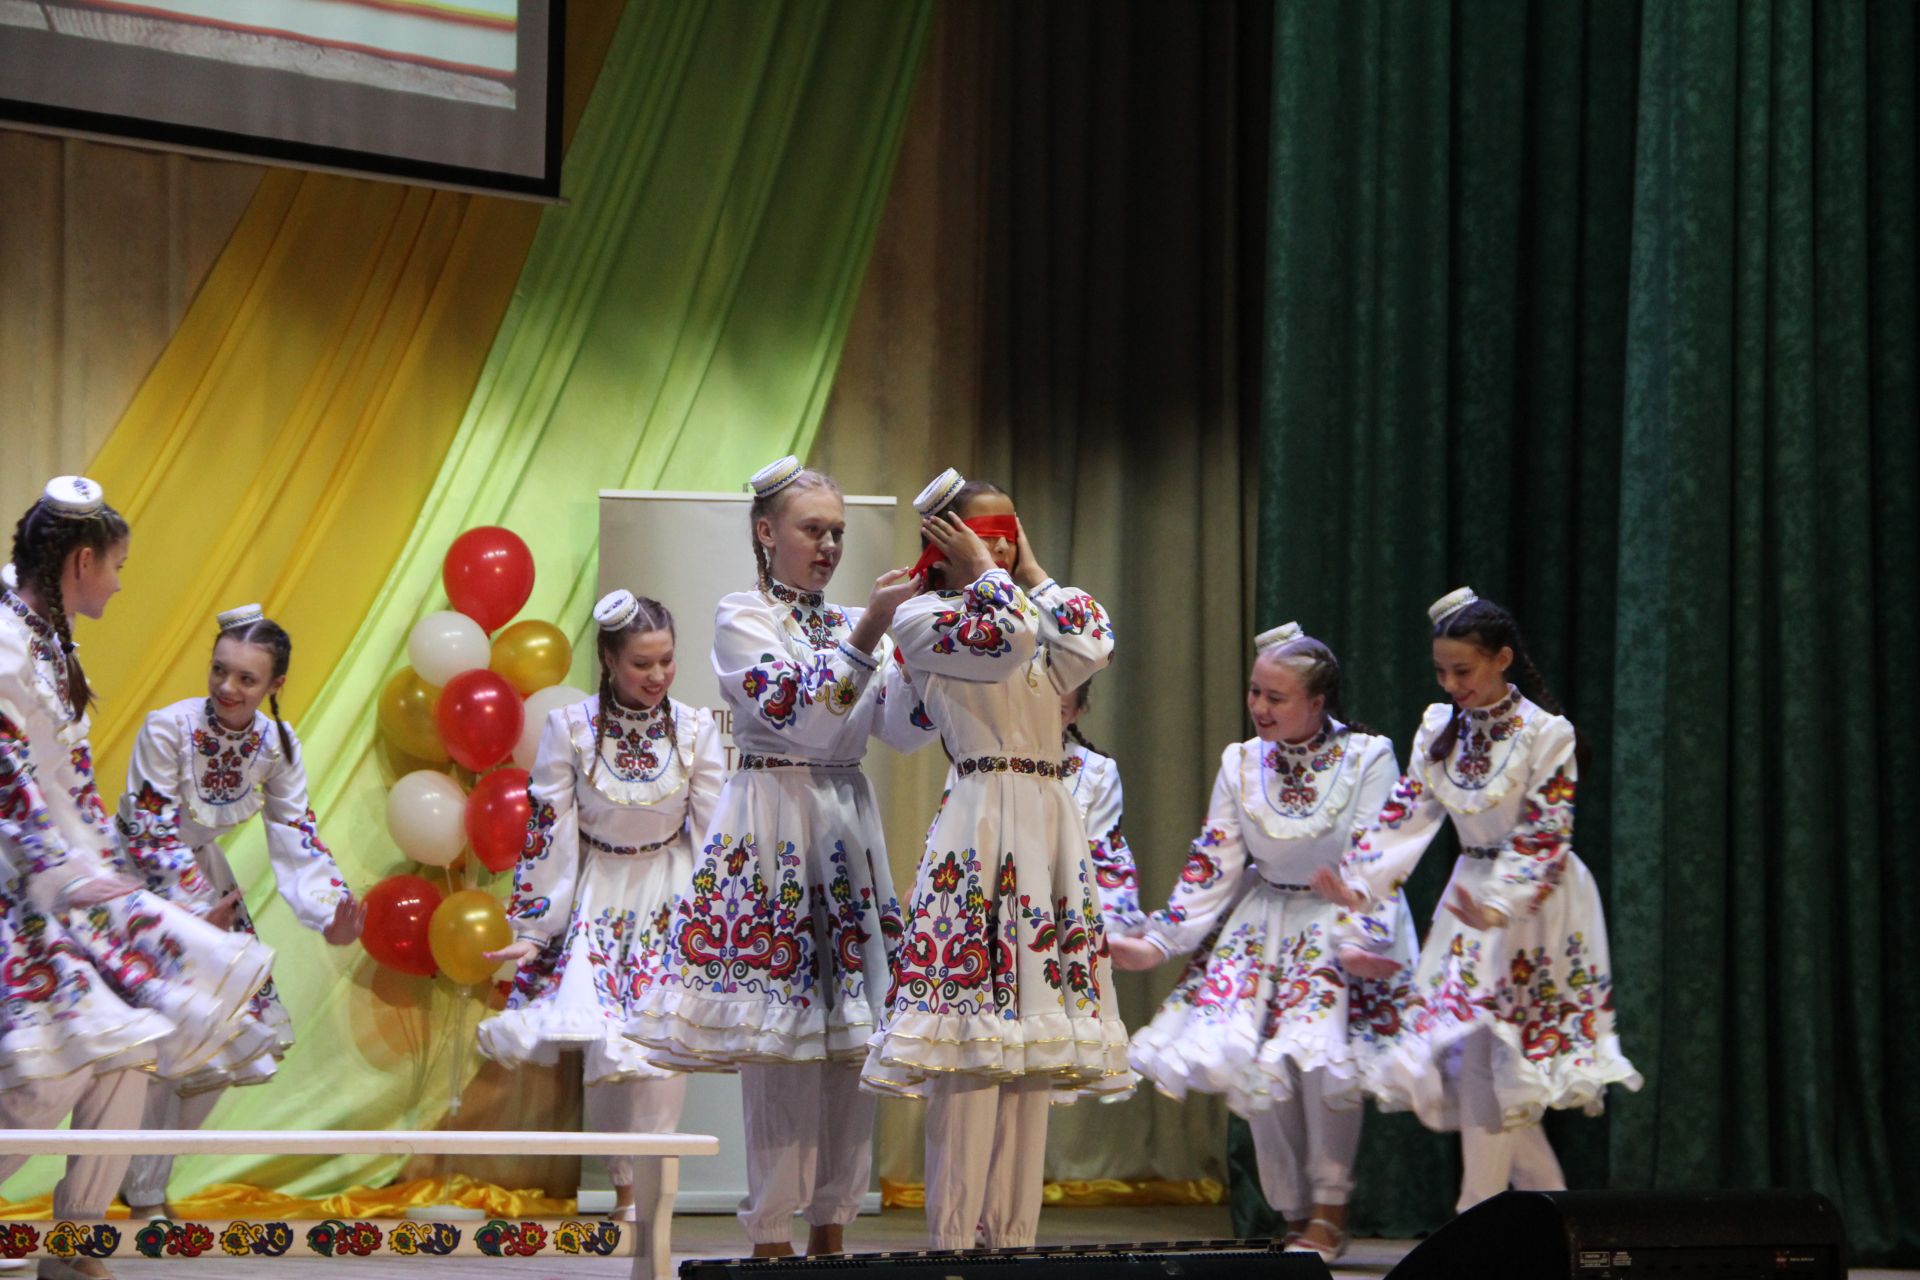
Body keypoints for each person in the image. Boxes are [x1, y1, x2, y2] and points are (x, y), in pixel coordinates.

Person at [632, 457, 933, 1256]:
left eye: (837, 532)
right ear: (767, 533)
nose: (828, 544)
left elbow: (900, 731)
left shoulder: (843, 624)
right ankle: (769, 1234)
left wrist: (930, 652)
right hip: (773, 823)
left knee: (852, 1043)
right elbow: (797, 713)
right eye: (812, 529)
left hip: (844, 823)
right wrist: (872, 630)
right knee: (782, 1044)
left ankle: (833, 1228)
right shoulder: (742, 615)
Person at [1, 477, 272, 1280]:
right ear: (81, 562)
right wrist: (64, 875)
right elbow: (9, 776)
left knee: (134, 1047)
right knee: (56, 1066)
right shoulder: (4, 643)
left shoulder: (50, 639)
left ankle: (76, 1239)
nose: (120, 582)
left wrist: (134, 893)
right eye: (116, 565)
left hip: (63, 877)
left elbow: (76, 780)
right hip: (19, 884)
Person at [865, 469, 1126, 1250]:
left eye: (1011, 530)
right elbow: (1004, 639)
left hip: (1047, 829)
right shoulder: (923, 618)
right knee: (973, 1056)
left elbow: (1094, 640)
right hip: (980, 828)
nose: (1001, 545)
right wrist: (985, 575)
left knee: (1032, 1062)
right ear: (945, 543)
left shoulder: (1027, 607)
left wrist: (1032, 568)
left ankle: (1014, 1245)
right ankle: (950, 1243)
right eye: (985, 531)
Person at [1313, 587, 1641, 1211]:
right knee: (1477, 1066)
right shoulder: (1441, 728)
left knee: (1501, 1063)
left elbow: (1546, 833)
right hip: (1471, 901)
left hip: (1536, 905)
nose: (1450, 684)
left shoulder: (1549, 735)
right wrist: (1358, 884)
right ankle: (1551, 1221)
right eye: (1441, 671)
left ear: (1503, 658)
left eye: (1462, 670)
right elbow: (1404, 818)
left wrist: (1501, 906)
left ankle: (1479, 1218)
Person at [1112, 623, 1419, 1261]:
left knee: (1321, 1064)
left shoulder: (1368, 756)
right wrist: (1163, 940)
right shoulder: (1240, 761)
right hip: (1262, 922)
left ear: (1317, 702)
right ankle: (1293, 1212)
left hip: (1335, 923)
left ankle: (1330, 1207)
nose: (1259, 707)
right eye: (1255, 692)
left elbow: (1376, 853)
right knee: (1256, 1065)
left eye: (1276, 698)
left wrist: (1364, 930)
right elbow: (1213, 859)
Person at [479, 590, 724, 1223]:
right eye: (642, 663)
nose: (658, 676)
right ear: (609, 659)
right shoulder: (572, 728)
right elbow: (549, 831)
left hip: (670, 897)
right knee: (609, 1049)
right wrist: (534, 929)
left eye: (666, 660)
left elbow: (716, 835)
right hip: (601, 896)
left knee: (660, 1053)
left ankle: (656, 1209)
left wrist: (722, 922)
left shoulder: (697, 729)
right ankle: (623, 1199)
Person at [113, 604, 363, 1216]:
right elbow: (150, 831)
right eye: (220, 670)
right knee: (134, 1054)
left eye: (247, 679)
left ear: (275, 685)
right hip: (139, 886)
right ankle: (101, 1201)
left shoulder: (277, 744)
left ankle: (143, 1187)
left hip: (203, 885)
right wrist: (194, 919)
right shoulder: (167, 728)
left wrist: (330, 909)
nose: (228, 687)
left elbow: (296, 830)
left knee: (231, 1039)